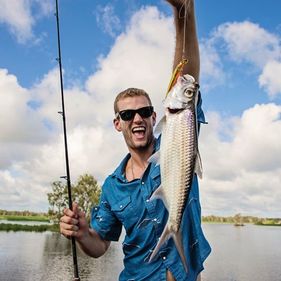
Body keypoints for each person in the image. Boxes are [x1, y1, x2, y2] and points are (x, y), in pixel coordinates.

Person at [59, 0, 211, 280]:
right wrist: (82, 233)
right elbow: (100, 244)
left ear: (156, 117)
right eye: (128, 114)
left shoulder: (178, 141)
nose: (137, 119)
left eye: (143, 111)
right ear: (117, 124)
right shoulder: (112, 186)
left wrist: (183, 14)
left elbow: (187, 75)